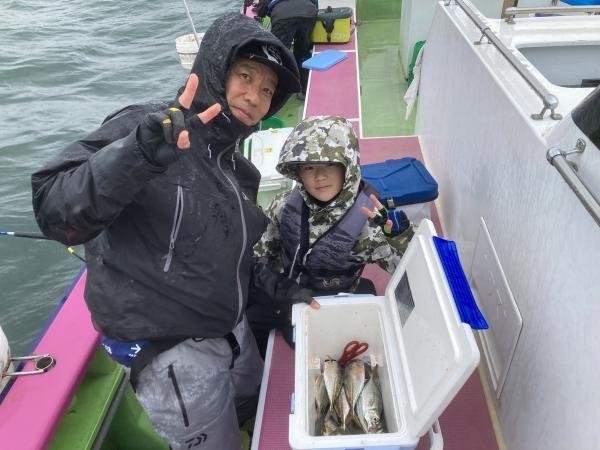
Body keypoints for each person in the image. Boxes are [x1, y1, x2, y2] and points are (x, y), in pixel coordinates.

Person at [31, 12, 307, 450]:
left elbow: (233, 256)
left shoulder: (239, 167)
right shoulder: (148, 126)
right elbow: (54, 208)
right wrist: (137, 155)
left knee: (255, 406)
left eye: (268, 90)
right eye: (245, 76)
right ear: (215, 68)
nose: (254, 97)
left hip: (232, 332)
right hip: (173, 357)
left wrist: (280, 294)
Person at [248, 115, 415, 355]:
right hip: (284, 293)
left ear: (348, 166)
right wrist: (279, 290)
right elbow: (255, 258)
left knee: (336, 351)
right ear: (298, 172)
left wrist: (401, 237)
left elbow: (411, 274)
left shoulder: (369, 223)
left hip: (332, 303)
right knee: (248, 324)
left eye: (329, 164)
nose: (319, 176)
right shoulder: (283, 205)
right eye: (309, 167)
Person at [254, 0, 317, 97]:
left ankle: (276, 92)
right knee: (303, 53)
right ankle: (304, 90)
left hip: (283, 17)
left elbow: (261, 11)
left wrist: (259, 9)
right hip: (309, 13)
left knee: (277, 54)